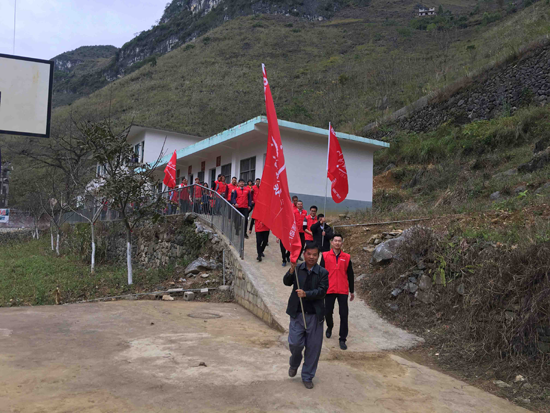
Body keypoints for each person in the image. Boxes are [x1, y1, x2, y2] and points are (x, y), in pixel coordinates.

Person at [284, 242, 329, 389]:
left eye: (314, 255)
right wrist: (291, 269)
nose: (311, 257)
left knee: (313, 348)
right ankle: (295, 362)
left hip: (315, 316)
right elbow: (286, 282)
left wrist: (306, 294)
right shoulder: (298, 269)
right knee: (295, 344)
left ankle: (308, 375)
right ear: (304, 254)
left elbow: (322, 291)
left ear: (318, 256)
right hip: (297, 314)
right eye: (309, 254)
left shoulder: (323, 272)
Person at [320, 234, 355, 351]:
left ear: (342, 243)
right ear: (331, 242)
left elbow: (350, 274)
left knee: (344, 314)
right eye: (335, 241)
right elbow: (320, 273)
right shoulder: (325, 256)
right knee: (328, 312)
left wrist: (352, 290)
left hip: (342, 290)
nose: (337, 243)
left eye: (339, 241)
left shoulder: (347, 257)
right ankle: (330, 326)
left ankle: (342, 338)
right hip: (329, 289)